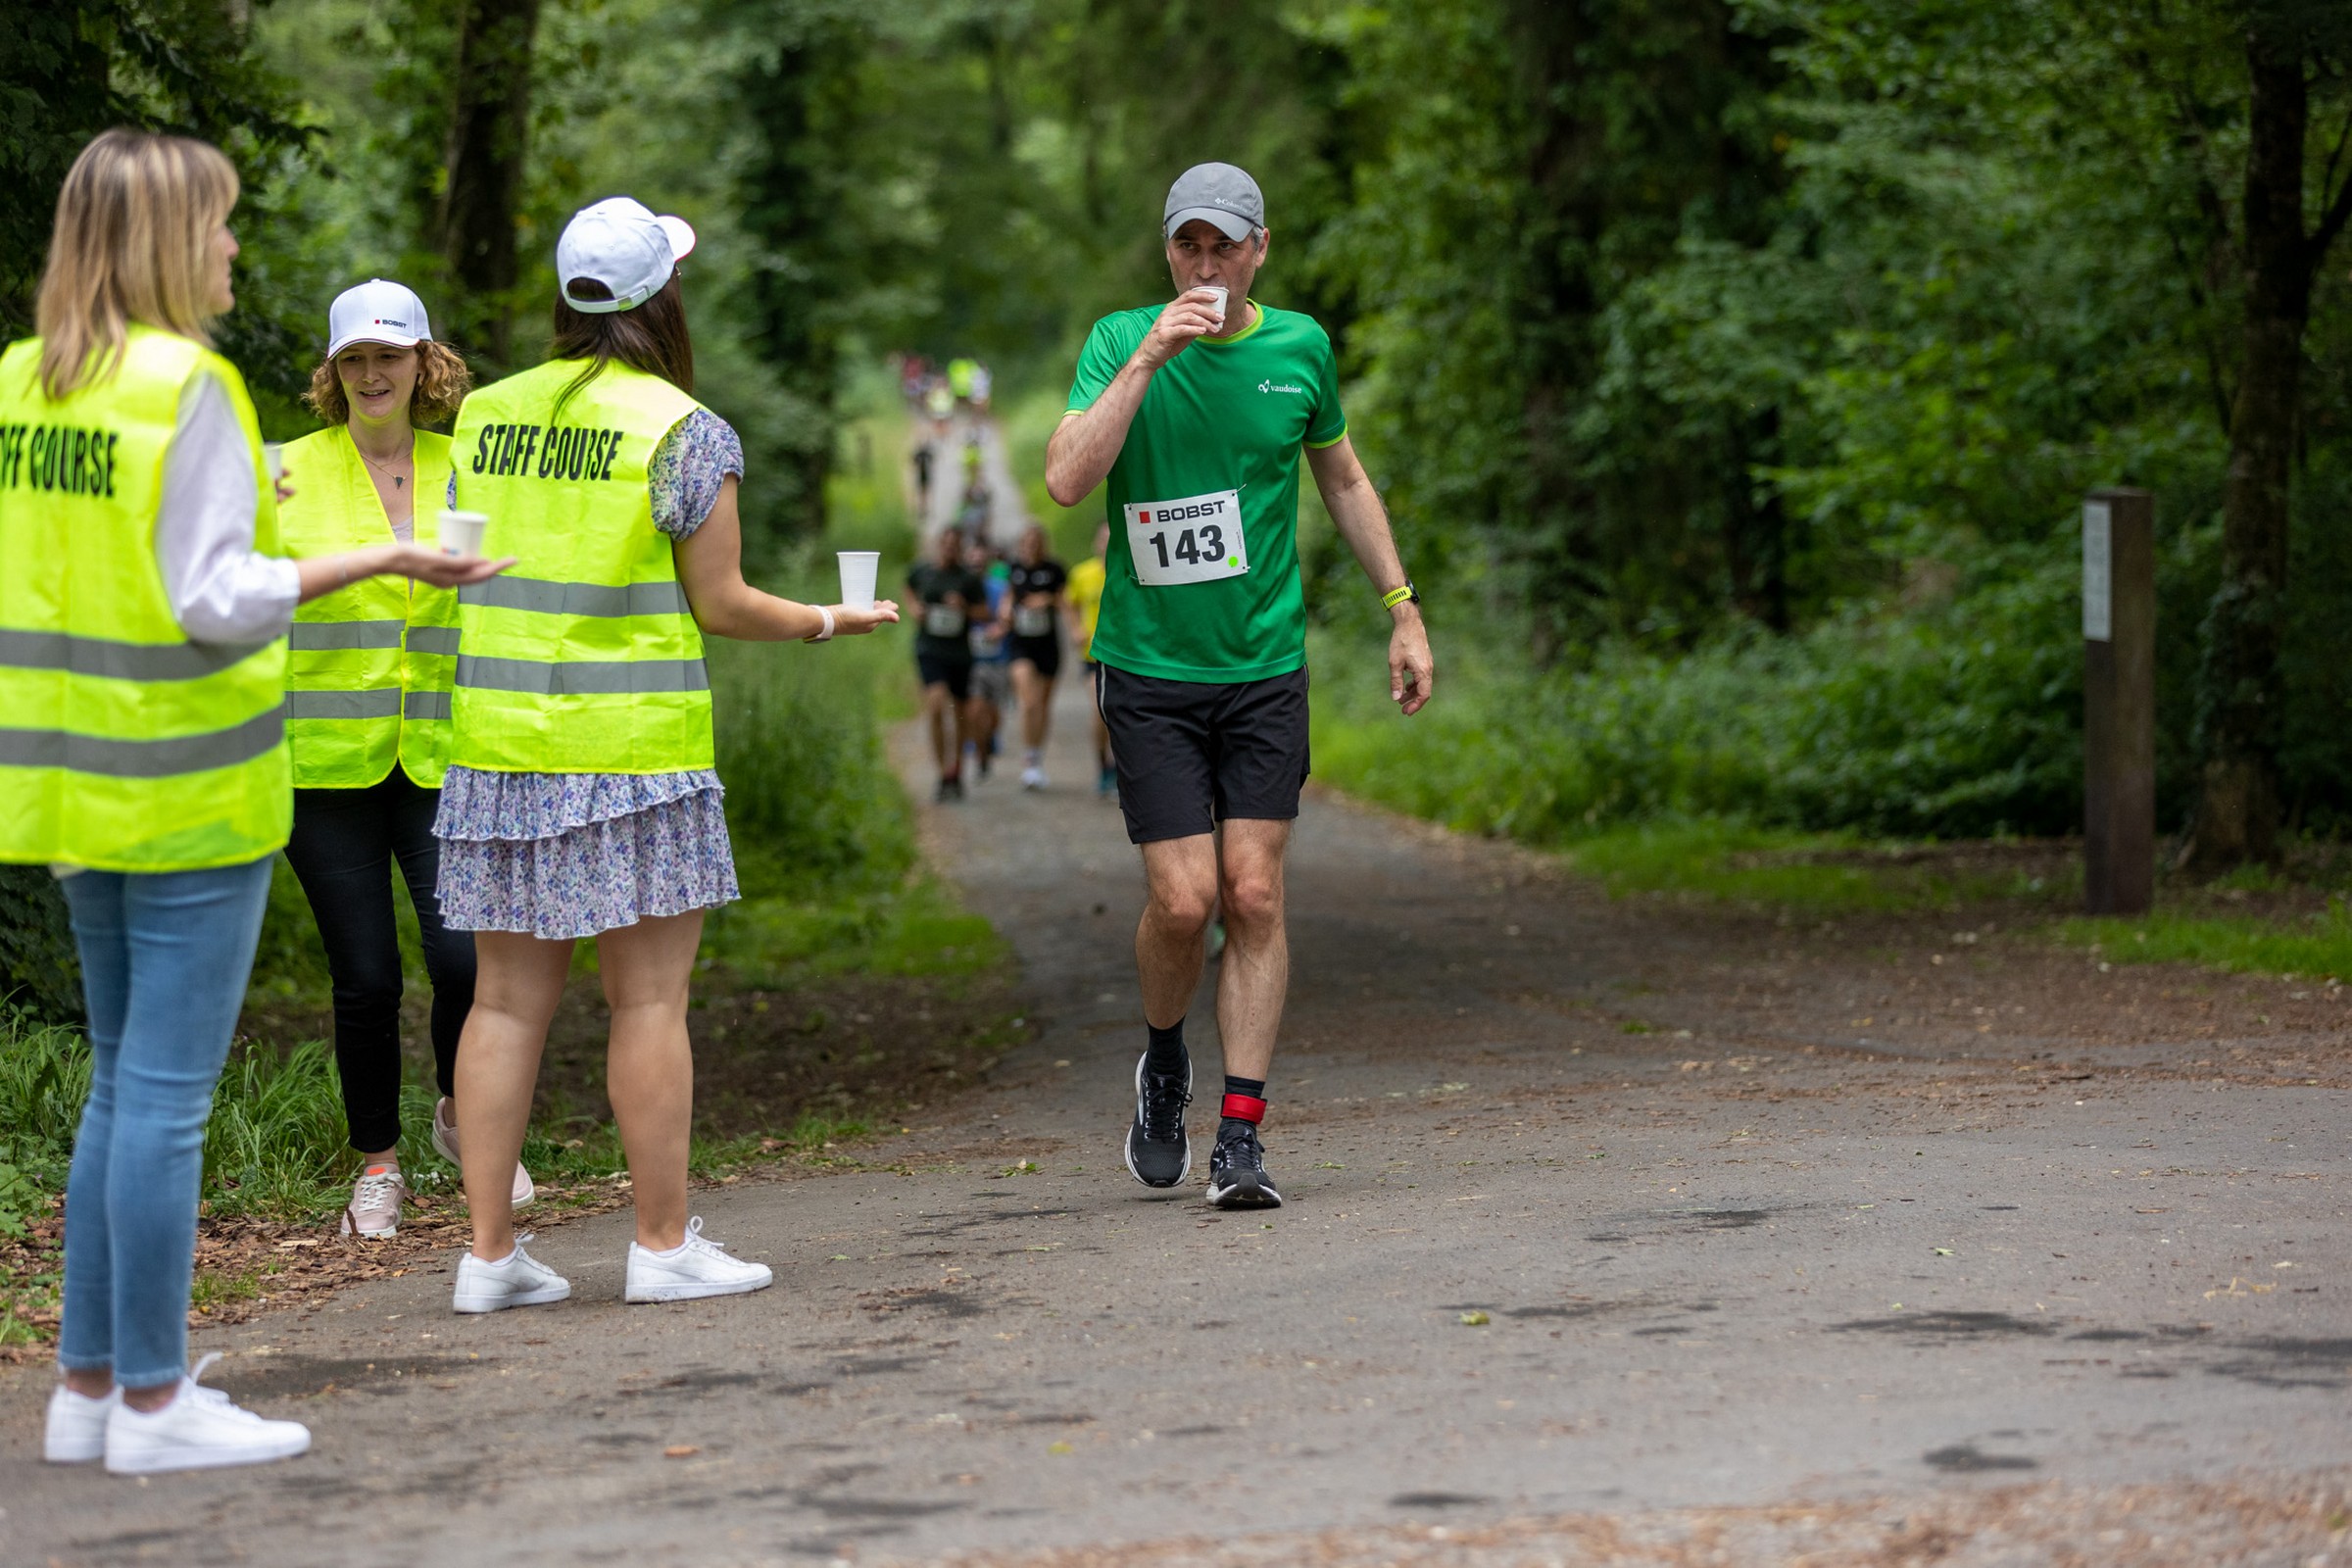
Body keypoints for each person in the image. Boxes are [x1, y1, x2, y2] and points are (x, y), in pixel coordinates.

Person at [7, 129, 503, 1473]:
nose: (230, 245)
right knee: (163, 1103)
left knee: (119, 1090)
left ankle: (88, 1389)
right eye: (218, 223)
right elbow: (213, 598)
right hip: (189, 784)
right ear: (168, 239)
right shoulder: (191, 387)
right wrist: (380, 562)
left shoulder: (21, 386)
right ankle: (153, 1401)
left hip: (67, 784)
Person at [434, 196, 896, 1317]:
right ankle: (661, 1244)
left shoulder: (484, 417)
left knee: (503, 1005)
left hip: (499, 749)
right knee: (647, 1002)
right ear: (660, 297)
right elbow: (722, 602)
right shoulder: (684, 430)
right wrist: (829, 620)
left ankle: (489, 1257)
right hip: (635, 754)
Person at [1044, 162, 1434, 1209]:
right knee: (1184, 903)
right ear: (1168, 251)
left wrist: (1401, 606)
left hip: (1263, 667)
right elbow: (1068, 479)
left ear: (1261, 248)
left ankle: (1241, 1138)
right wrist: (1150, 359)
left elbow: (1342, 476)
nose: (1205, 265)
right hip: (1151, 668)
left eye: (1225, 246)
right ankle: (1165, 1057)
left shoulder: (1299, 348)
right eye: (1189, 246)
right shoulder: (1121, 340)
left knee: (1254, 893)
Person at [276, 278, 535, 1238]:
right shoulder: (285, 472)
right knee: (367, 977)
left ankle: (466, 1120)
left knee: (465, 960)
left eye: (389, 355)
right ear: (333, 371)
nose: (372, 374)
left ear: (425, 363)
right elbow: (244, 587)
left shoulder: (468, 466)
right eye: (355, 358)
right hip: (321, 764)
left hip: (442, 756)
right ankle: (378, 1165)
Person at [905, 524, 987, 801]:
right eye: (946, 544)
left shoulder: (968, 579)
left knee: (960, 713)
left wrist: (964, 607)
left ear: (960, 549)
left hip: (959, 653)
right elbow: (908, 587)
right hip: (930, 648)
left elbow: (985, 613)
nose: (950, 549)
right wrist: (915, 608)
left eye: (955, 546)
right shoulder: (924, 572)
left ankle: (957, 770)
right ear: (939, 545)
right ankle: (941, 772)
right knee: (936, 705)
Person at [1005, 525, 1068, 790]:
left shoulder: (1054, 570)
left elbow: (1065, 601)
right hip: (1021, 645)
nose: (1031, 546)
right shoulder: (1013, 569)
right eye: (1027, 542)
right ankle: (1029, 760)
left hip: (1047, 645)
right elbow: (1007, 597)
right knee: (1029, 702)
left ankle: (1037, 758)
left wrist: (1048, 600)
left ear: (1042, 544)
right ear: (1021, 544)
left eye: (1036, 542)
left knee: (1042, 705)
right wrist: (1005, 613)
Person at [1063, 522, 1113, 796]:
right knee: (1099, 709)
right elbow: (1069, 603)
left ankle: (1120, 767)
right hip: (1091, 655)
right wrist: (1075, 628)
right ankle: (1103, 764)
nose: (1107, 544)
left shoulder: (1128, 571)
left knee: (1119, 715)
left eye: (1111, 538)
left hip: (1122, 657)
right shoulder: (1082, 574)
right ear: (1096, 543)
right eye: (1103, 539)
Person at [964, 533, 1010, 779]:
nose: (976, 567)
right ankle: (980, 751)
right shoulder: (961, 587)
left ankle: (989, 737)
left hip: (997, 658)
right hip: (971, 660)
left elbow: (1008, 615)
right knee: (975, 708)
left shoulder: (999, 588)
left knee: (993, 712)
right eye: (973, 563)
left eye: (980, 563)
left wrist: (1000, 628)